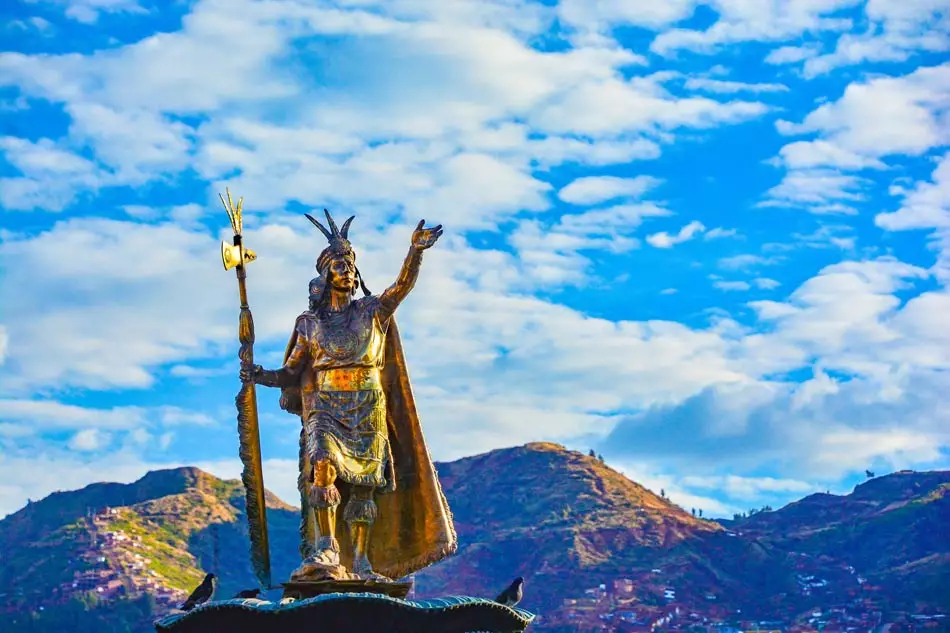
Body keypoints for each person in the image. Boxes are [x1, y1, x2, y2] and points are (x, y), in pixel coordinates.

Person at [241, 210, 456, 582]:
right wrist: (259, 375)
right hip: (325, 407)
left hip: (368, 404)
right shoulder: (309, 324)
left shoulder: (372, 312)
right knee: (322, 463)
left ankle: (361, 563)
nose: (348, 272)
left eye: (351, 266)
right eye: (340, 266)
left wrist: (415, 252)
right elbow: (292, 372)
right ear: (325, 276)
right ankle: (327, 547)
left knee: (363, 489)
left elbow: (400, 288)